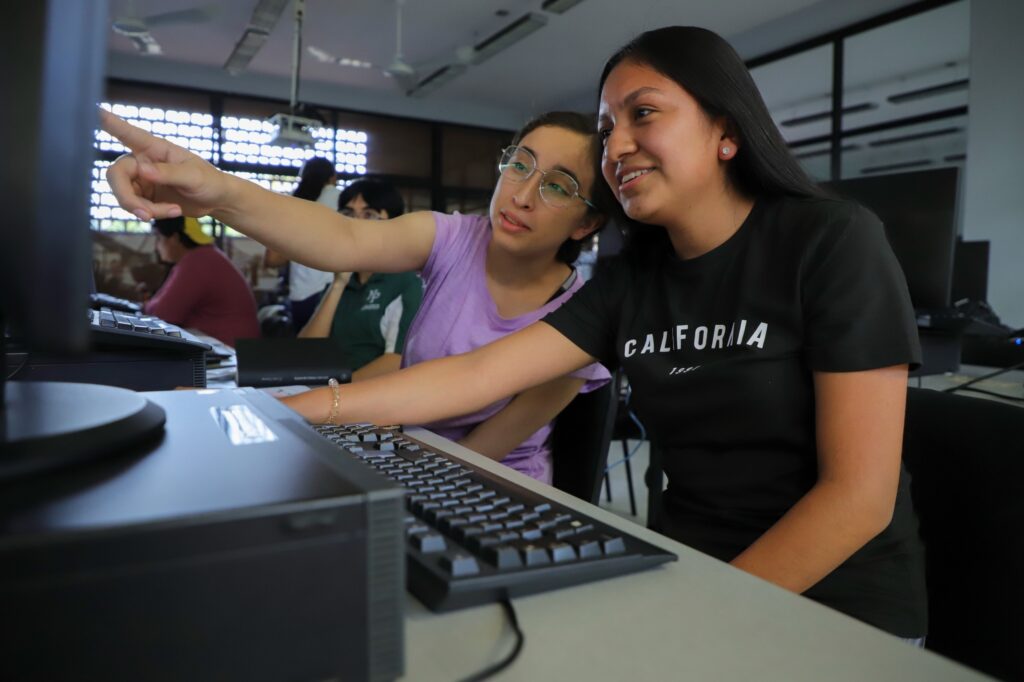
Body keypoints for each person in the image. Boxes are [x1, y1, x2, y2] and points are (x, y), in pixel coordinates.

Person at [100, 108, 613, 484]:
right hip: (401, 443)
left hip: (491, 482)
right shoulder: (456, 238)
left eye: (559, 187)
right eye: (520, 165)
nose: (522, 195)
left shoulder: (583, 316)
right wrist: (215, 191)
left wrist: (278, 413)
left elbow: (480, 451)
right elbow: (343, 239)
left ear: (587, 223)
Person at [298, 178, 424, 382]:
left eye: (369, 214)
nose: (354, 224)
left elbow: (396, 360)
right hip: (328, 389)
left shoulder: (406, 282)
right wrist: (338, 285)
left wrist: (337, 392)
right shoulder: (340, 283)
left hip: (368, 395)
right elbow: (305, 354)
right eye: (347, 214)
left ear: (394, 225)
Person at [144, 216, 260, 347]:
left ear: (175, 238)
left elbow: (163, 315)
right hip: (231, 345)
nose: (156, 247)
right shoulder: (204, 256)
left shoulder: (197, 262)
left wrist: (148, 305)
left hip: (229, 349)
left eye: (159, 238)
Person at [264, 157, 339, 331]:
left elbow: (273, 259)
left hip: (302, 294)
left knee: (305, 345)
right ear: (333, 177)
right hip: (334, 291)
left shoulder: (293, 203)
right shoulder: (343, 200)